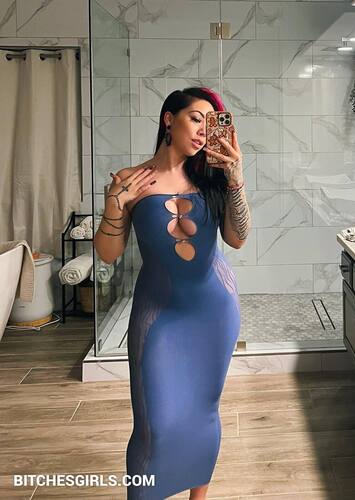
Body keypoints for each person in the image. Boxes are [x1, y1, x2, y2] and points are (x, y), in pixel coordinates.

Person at [94, 87, 251, 499]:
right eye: (196, 118)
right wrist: (114, 204)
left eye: (210, 124)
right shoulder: (130, 180)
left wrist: (235, 179)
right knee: (155, 423)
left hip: (214, 309)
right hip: (159, 313)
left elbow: (237, 239)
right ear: (169, 119)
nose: (202, 131)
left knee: (203, 411)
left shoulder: (213, 179)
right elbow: (108, 254)